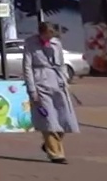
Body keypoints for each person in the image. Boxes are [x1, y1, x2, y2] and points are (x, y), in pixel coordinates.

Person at [25, 21, 79, 164]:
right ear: (41, 33)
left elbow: (61, 64)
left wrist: (65, 81)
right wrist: (32, 89)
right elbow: (27, 67)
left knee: (64, 119)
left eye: (51, 36)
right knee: (48, 119)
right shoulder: (30, 43)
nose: (49, 39)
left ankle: (48, 145)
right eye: (47, 36)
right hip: (40, 83)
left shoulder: (56, 44)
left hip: (58, 83)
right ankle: (56, 154)